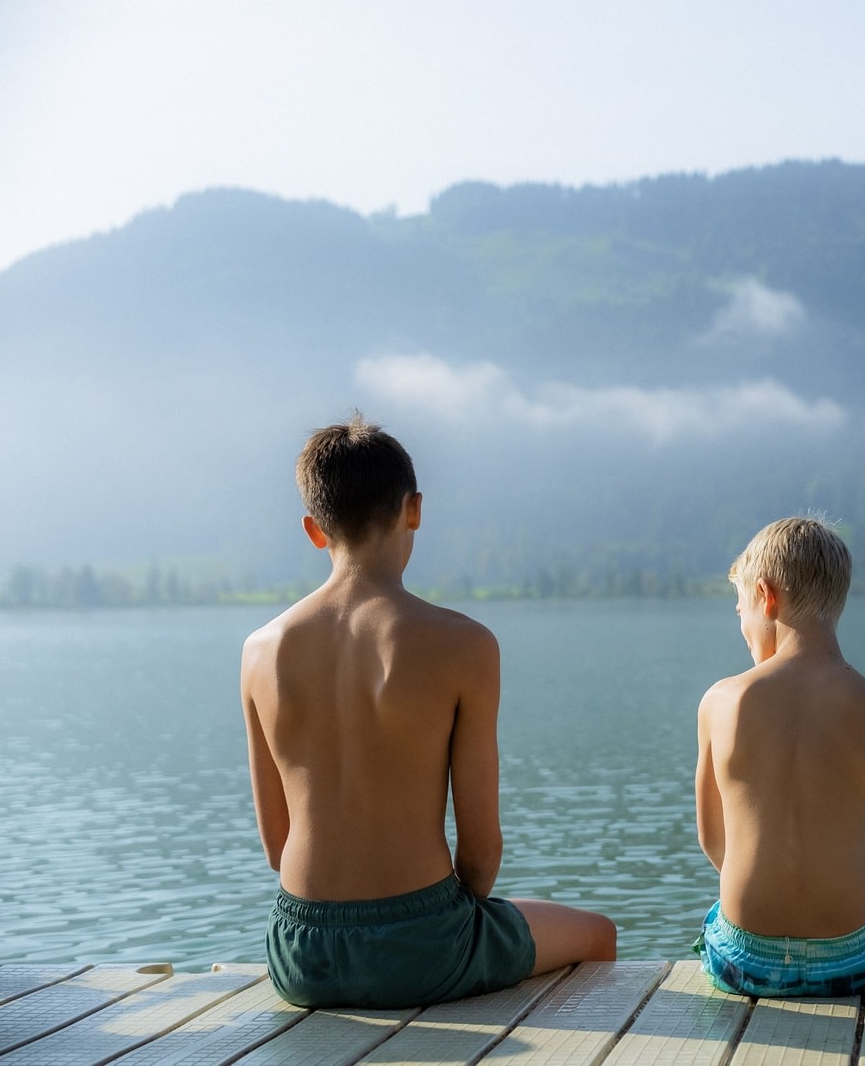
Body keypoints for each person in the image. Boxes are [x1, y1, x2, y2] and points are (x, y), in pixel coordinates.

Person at [241, 413, 615, 1009]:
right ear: (413, 509)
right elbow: (481, 854)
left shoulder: (260, 651)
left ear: (314, 529)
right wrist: (435, 920)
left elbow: (276, 845)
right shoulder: (463, 645)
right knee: (599, 934)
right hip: (424, 943)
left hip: (298, 952)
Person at [694, 515, 865, 997]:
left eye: (740, 609)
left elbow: (712, 839)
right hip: (853, 957)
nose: (742, 626)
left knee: (716, 920)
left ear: (766, 596)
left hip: (746, 961)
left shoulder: (720, 702)